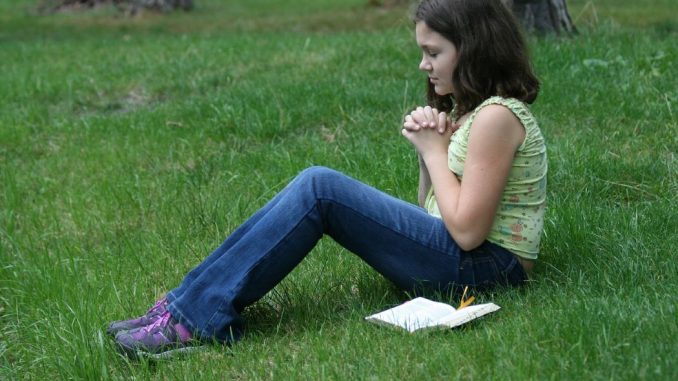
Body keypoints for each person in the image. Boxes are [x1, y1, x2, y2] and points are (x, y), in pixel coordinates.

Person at [108, 0, 547, 359]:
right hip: (466, 261)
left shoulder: (496, 118)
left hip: (487, 271)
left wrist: (435, 152)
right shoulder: (472, 115)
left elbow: (467, 233)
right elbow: (433, 214)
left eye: (433, 53)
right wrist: (427, 158)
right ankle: (182, 306)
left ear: (472, 49)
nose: (422, 65)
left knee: (321, 188)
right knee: (318, 186)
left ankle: (192, 317)